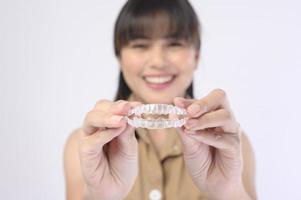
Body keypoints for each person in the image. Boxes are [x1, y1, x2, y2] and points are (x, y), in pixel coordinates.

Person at [63, 0, 257, 199]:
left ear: (196, 55)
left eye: (174, 44)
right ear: (119, 56)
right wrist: (100, 196)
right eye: (140, 45)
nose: (158, 62)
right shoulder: (87, 146)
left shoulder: (228, 144)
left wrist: (229, 192)